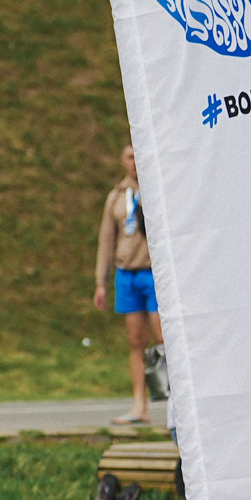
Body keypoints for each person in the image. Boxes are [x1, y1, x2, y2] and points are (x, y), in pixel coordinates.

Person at [93, 144, 162, 427]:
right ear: (122, 161)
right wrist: (101, 281)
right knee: (136, 341)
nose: (135, 161)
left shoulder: (158, 188)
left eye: (138, 156)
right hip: (127, 275)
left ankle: (176, 401)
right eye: (130, 157)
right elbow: (106, 240)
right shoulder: (117, 196)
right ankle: (139, 405)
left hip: (154, 274)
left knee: (164, 339)